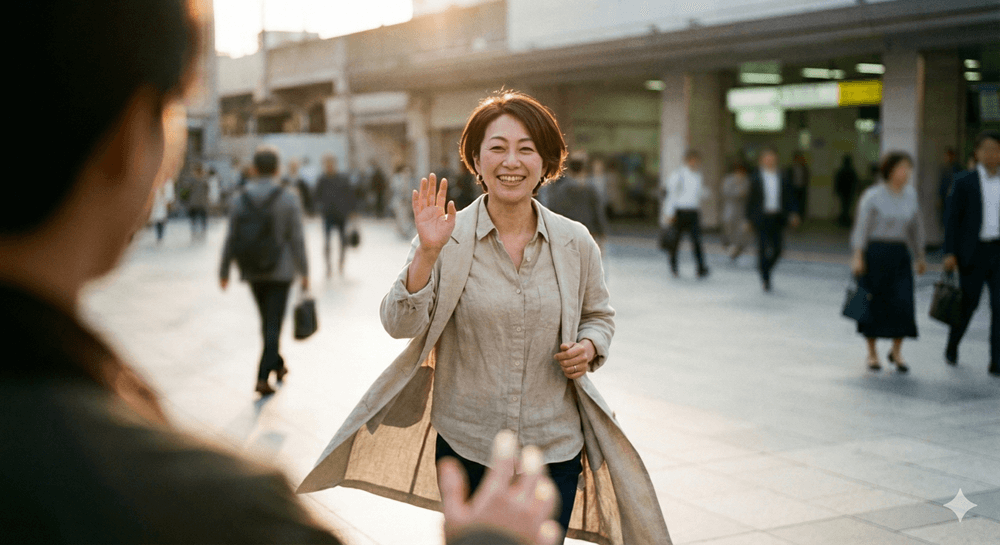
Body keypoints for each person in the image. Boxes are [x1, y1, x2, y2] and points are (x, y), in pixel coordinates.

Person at [298, 91, 671, 545]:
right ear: (476, 159)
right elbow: (399, 324)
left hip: (553, 450)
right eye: (497, 147)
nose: (510, 161)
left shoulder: (575, 243)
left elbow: (599, 316)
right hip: (467, 443)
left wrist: (590, 346)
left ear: (546, 162)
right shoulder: (446, 238)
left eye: (526, 148)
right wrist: (427, 255)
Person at [219, 146, 309, 396]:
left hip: (251, 270)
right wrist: (304, 271)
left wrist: (224, 270)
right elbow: (297, 239)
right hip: (280, 271)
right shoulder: (288, 197)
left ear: (255, 169)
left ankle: (278, 365)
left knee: (267, 323)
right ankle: (261, 377)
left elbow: (231, 237)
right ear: (277, 169)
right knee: (273, 326)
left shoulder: (240, 197)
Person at [850, 152, 927, 372]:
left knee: (903, 304)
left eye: (908, 168)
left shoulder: (910, 195)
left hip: (900, 255)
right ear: (889, 170)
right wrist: (858, 255)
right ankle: (872, 354)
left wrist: (920, 255)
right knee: (873, 304)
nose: (906, 173)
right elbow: (862, 227)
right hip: (875, 254)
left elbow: (916, 228)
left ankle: (897, 351)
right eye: (901, 168)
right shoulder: (873, 196)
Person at [943, 130, 1000, 376]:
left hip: (998, 253)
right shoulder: (964, 181)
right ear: (976, 153)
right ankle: (953, 343)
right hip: (973, 253)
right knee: (968, 305)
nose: (991, 154)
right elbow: (952, 219)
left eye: (996, 149)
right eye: (986, 149)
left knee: (999, 308)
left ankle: (996, 361)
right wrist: (949, 253)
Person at [747, 147, 800, 291]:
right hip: (761, 218)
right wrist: (748, 220)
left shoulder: (782, 176)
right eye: (766, 157)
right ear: (762, 160)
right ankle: (765, 278)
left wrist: (793, 213)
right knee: (763, 248)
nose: (769, 160)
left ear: (776, 159)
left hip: (777, 217)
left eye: (772, 157)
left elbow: (789, 197)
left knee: (778, 249)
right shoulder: (755, 178)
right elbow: (750, 201)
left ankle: (765, 269)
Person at [661, 149, 710, 278]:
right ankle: (673, 267)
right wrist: (669, 213)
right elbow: (671, 195)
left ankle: (701, 268)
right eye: (693, 160)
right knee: (675, 241)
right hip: (680, 212)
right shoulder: (678, 175)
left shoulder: (698, 175)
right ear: (687, 160)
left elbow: (698, 193)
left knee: (697, 241)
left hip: (693, 212)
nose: (695, 163)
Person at [546, 158, 608, 248]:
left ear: (569, 170)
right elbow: (598, 212)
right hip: (589, 231)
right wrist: (602, 233)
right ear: (583, 170)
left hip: (567, 233)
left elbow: (554, 211)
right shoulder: (590, 189)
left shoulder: (560, 190)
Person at [315, 155, 358, 276]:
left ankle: (341, 263)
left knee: (342, 240)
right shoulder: (322, 179)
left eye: (330, 163)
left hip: (341, 214)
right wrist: (319, 207)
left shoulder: (342, 178)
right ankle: (328, 265)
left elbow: (350, 194)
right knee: (327, 241)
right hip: (328, 214)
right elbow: (316, 195)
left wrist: (352, 210)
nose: (329, 166)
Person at [721, 162, 751, 259]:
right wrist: (738, 192)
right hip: (730, 208)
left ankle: (736, 248)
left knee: (741, 231)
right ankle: (730, 245)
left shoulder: (747, 181)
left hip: (742, 209)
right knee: (728, 226)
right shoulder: (728, 179)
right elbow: (725, 192)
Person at [182, 163, 209, 240]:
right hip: (199, 203)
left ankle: (199, 231)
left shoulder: (195, 179)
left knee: (197, 219)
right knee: (200, 218)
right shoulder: (203, 179)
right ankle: (200, 231)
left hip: (197, 203)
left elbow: (186, 187)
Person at [937, 147, 963, 227]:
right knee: (944, 220)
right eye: (945, 156)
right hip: (945, 198)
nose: (946, 158)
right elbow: (941, 184)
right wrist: (939, 198)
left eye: (948, 156)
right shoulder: (944, 169)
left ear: (953, 156)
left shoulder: (958, 169)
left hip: (955, 198)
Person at [834, 155, 859, 227]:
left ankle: (843, 220)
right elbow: (855, 182)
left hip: (843, 192)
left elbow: (837, 182)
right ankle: (845, 220)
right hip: (849, 192)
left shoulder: (841, 170)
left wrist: (836, 190)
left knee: (843, 206)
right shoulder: (852, 171)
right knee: (847, 207)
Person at [787, 151, 810, 220]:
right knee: (793, 205)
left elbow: (807, 178)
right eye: (797, 158)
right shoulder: (790, 169)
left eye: (800, 158)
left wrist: (804, 185)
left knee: (802, 205)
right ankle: (793, 220)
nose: (798, 159)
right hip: (793, 189)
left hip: (802, 189)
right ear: (794, 159)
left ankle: (801, 219)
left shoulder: (805, 168)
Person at [150, 177, 175, 243]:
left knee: (161, 225)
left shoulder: (164, 197)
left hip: (162, 214)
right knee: (158, 225)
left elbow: (169, 200)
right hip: (157, 214)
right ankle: (159, 236)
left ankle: (160, 236)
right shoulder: (157, 195)